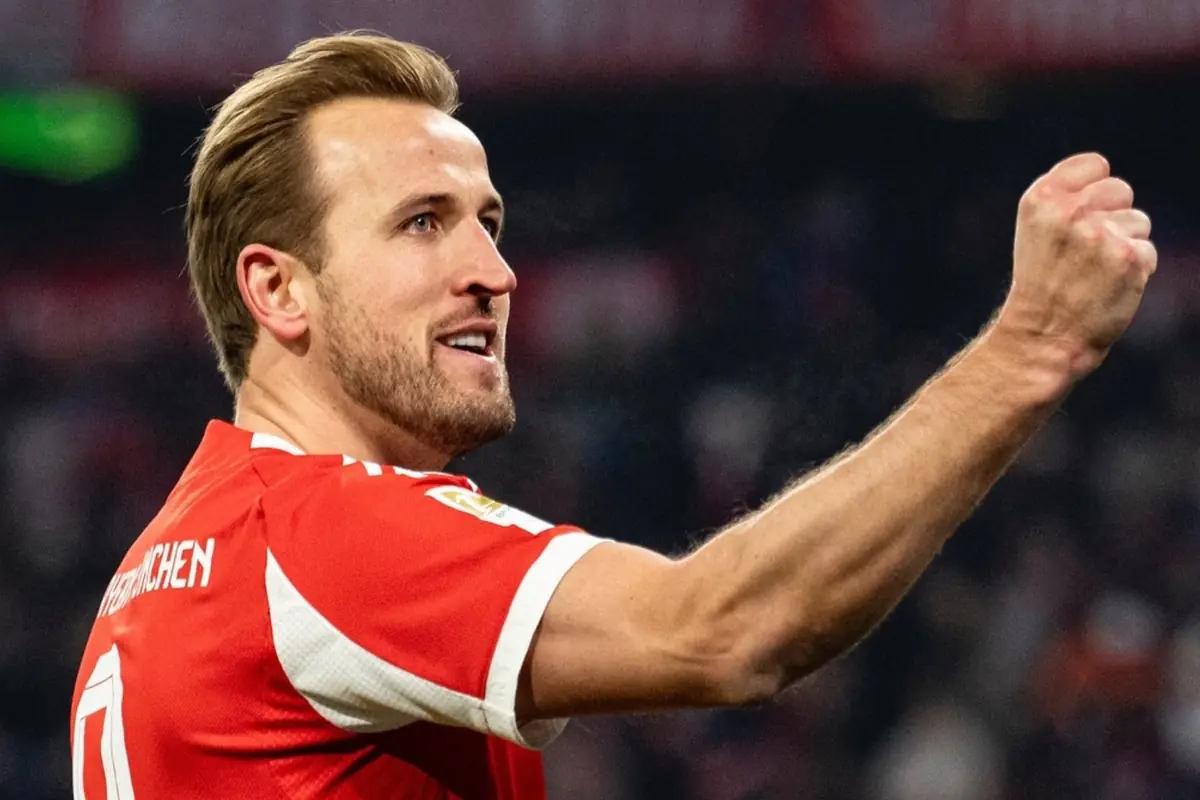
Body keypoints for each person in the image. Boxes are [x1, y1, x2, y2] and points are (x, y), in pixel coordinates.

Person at [68, 31, 1156, 800]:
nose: (494, 271)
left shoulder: (168, 568)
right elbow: (728, 628)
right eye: (422, 223)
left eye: (489, 222)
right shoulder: (322, 533)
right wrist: (1032, 346)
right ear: (277, 289)